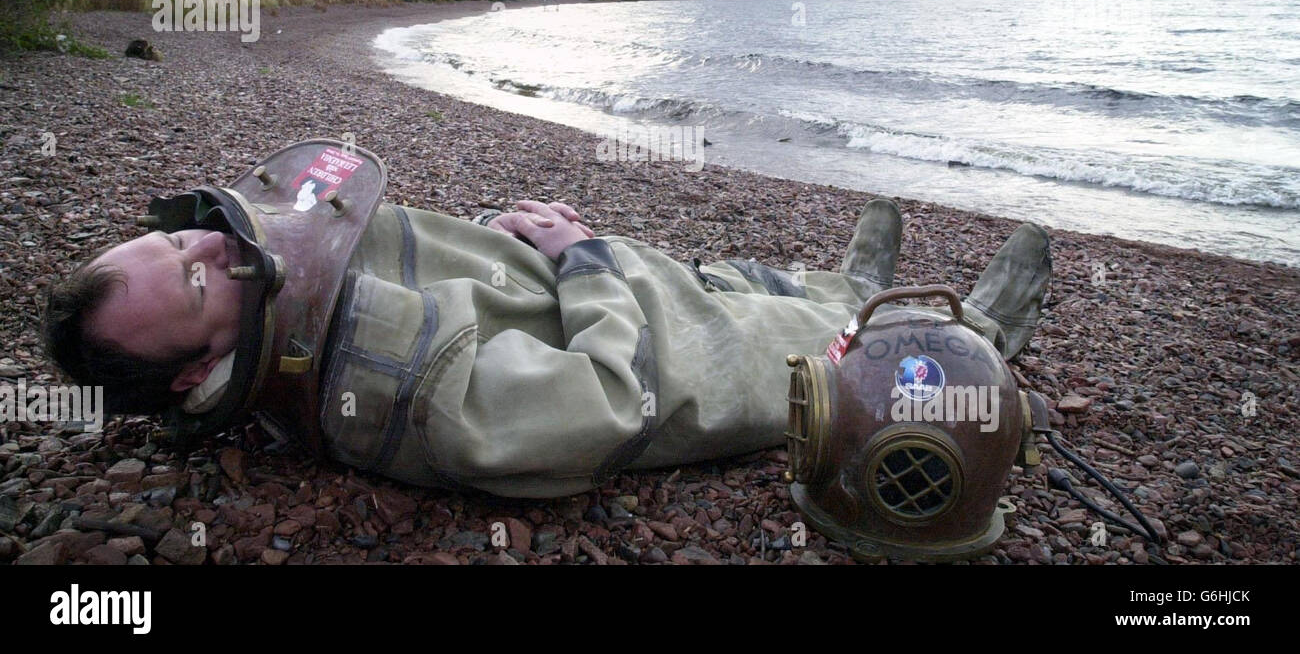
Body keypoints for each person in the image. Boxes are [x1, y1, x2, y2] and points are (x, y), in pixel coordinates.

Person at [41, 152, 1051, 499]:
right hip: (674, 360)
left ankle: (837, 279)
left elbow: (427, 279)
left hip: (621, 290)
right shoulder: (383, 395)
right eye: (192, 284)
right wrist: (580, 259)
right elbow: (610, 400)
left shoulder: (283, 299)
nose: (218, 249)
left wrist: (494, 242)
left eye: (188, 242)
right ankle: (975, 340)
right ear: (195, 374)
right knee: (781, 340)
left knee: (709, 273)